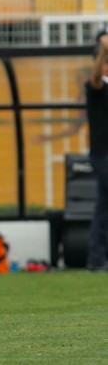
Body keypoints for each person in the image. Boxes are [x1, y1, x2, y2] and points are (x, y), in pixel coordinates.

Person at [84, 31, 108, 272]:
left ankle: (96, 258)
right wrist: (103, 48)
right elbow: (96, 77)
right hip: (103, 154)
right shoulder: (96, 87)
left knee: (103, 206)